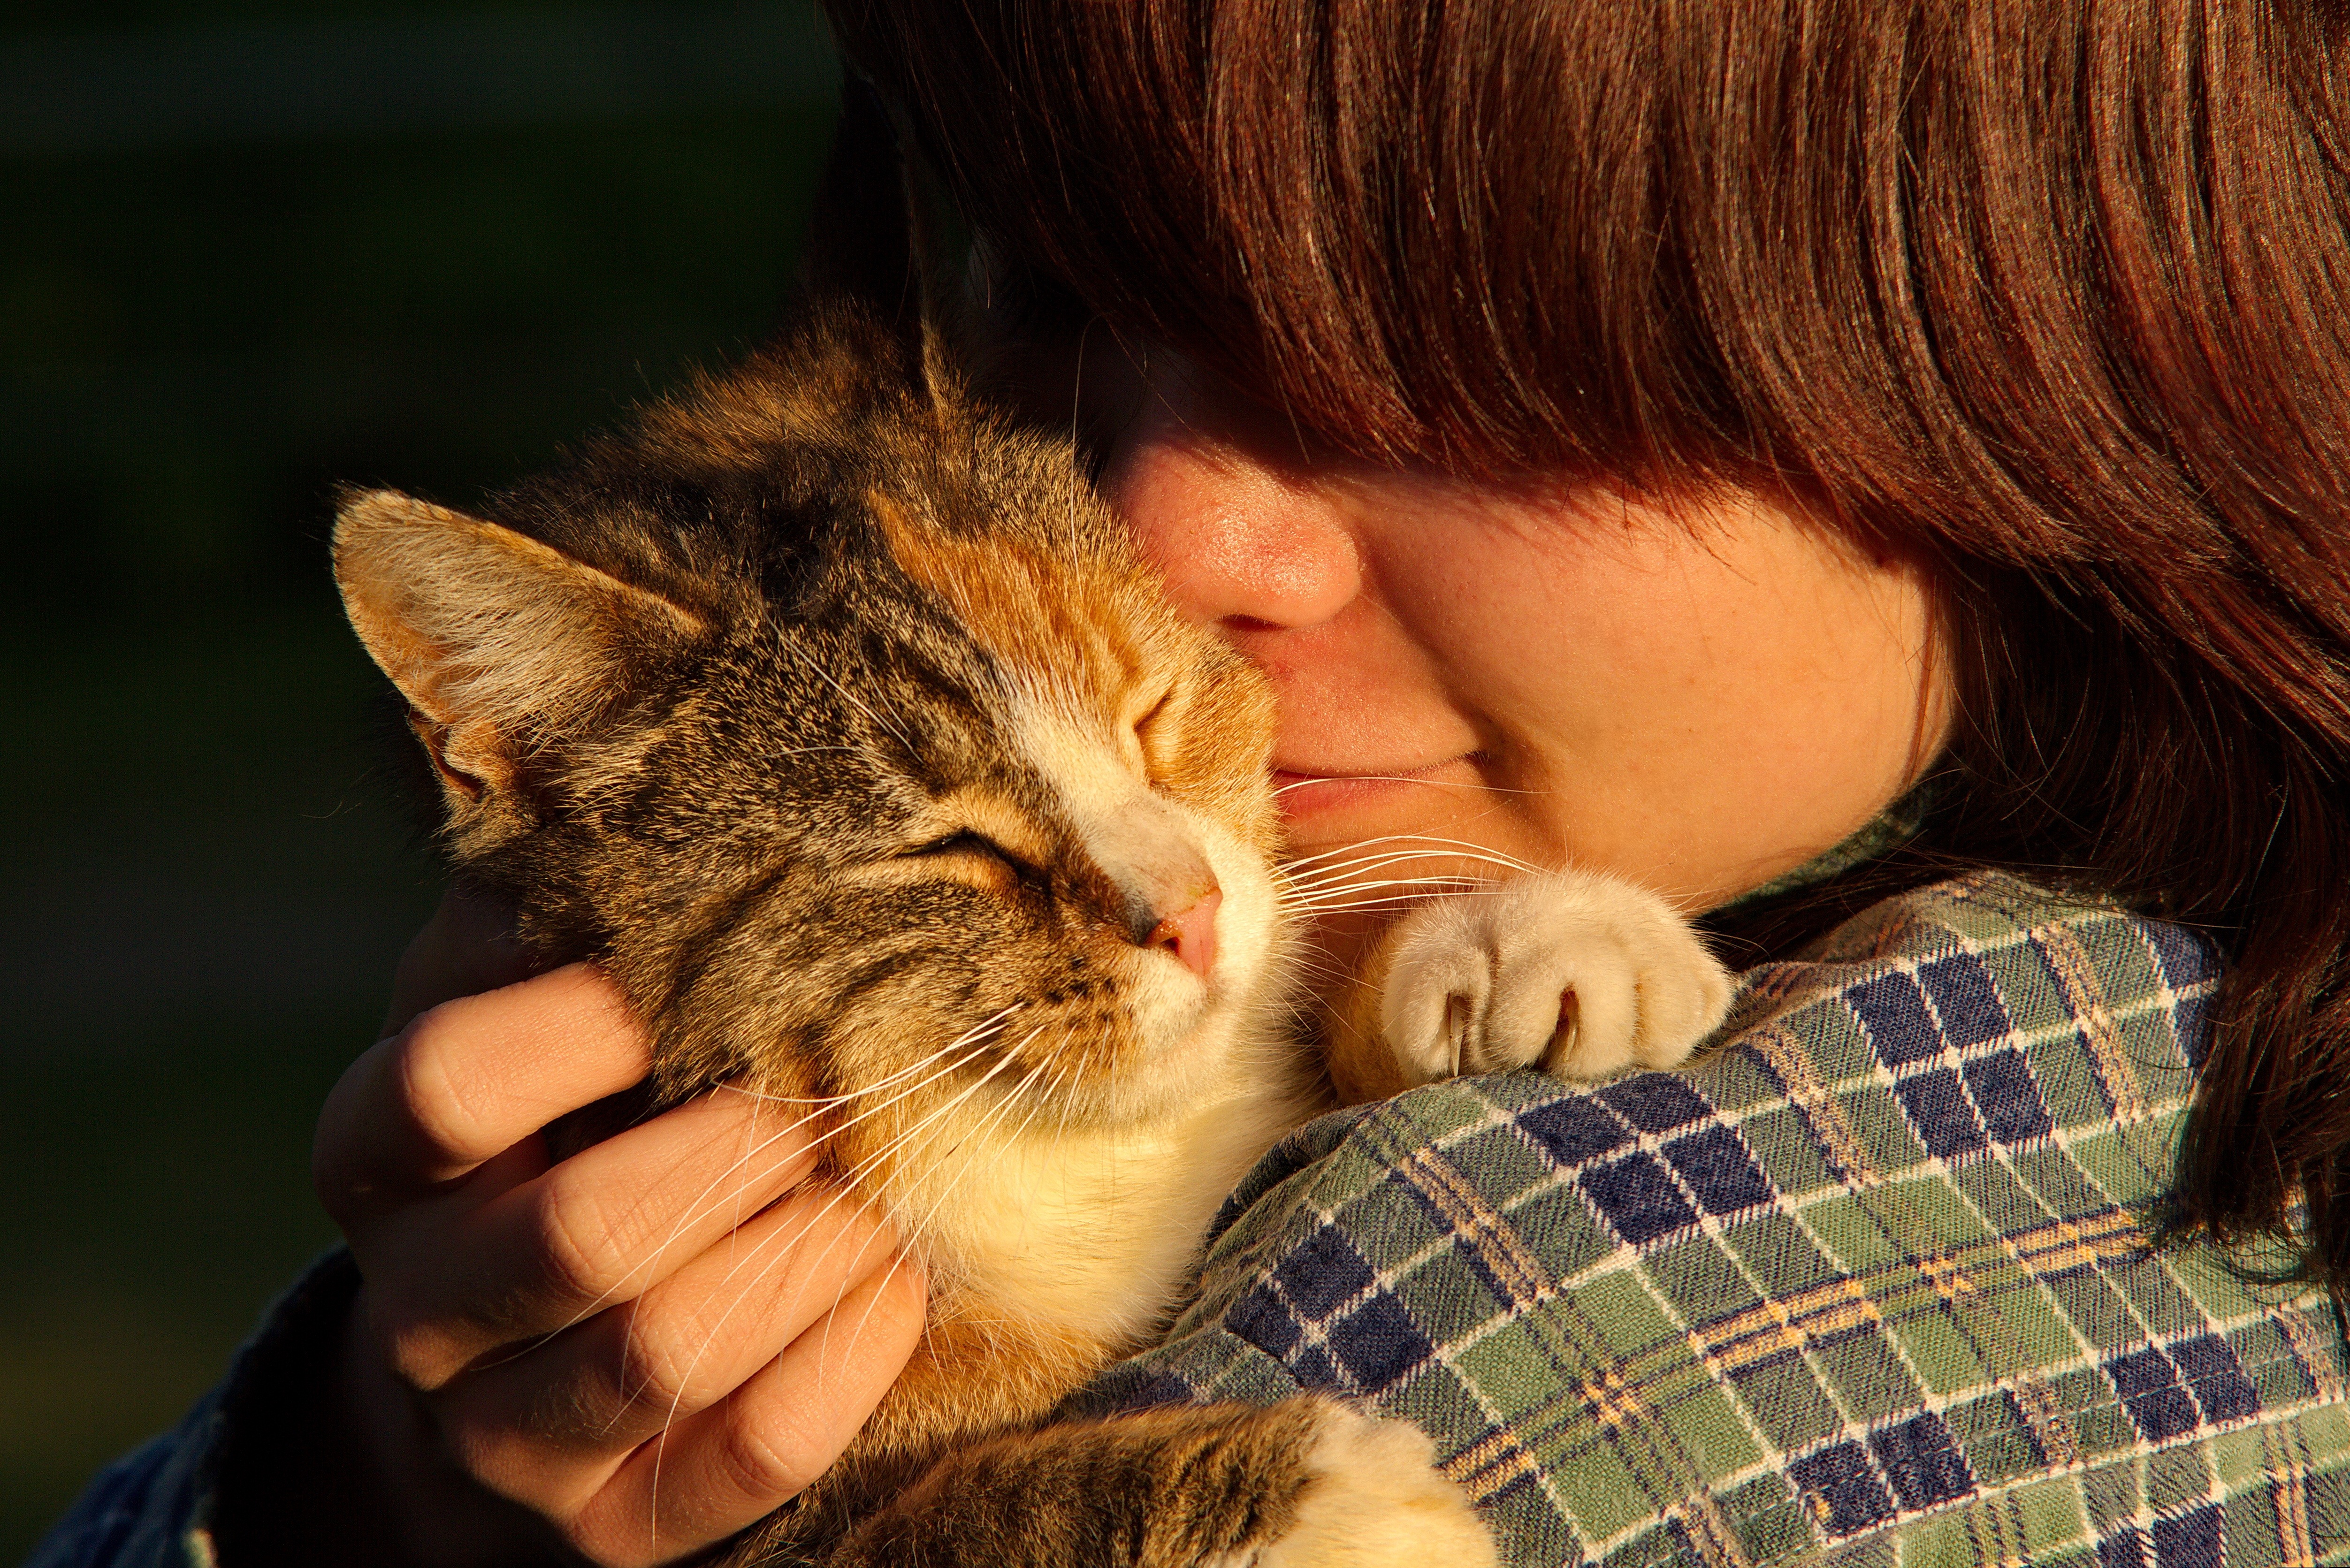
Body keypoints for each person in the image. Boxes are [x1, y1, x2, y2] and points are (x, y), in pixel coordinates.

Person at [32, 0, 2350, 1563]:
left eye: (1415, 358)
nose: (1146, 549)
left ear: (2038, 309)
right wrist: (370, 1466)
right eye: (1052, 291)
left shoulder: (1537, 1330)